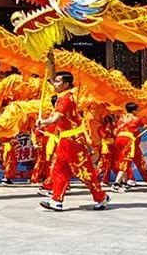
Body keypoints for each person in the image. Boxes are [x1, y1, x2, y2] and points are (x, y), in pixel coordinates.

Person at [36, 51, 109, 211]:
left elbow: (55, 118)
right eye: (54, 81)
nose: (53, 83)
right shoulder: (65, 94)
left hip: (73, 141)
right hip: (66, 140)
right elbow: (52, 77)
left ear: (66, 85)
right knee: (59, 170)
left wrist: (43, 122)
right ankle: (56, 200)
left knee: (85, 172)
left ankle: (101, 197)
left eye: (57, 82)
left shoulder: (64, 99)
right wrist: (51, 63)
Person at [97, 114, 117, 185]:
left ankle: (119, 179)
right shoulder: (101, 128)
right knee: (106, 165)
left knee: (113, 165)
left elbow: (115, 136)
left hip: (113, 148)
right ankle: (102, 179)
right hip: (106, 149)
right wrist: (108, 130)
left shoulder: (113, 127)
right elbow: (104, 136)